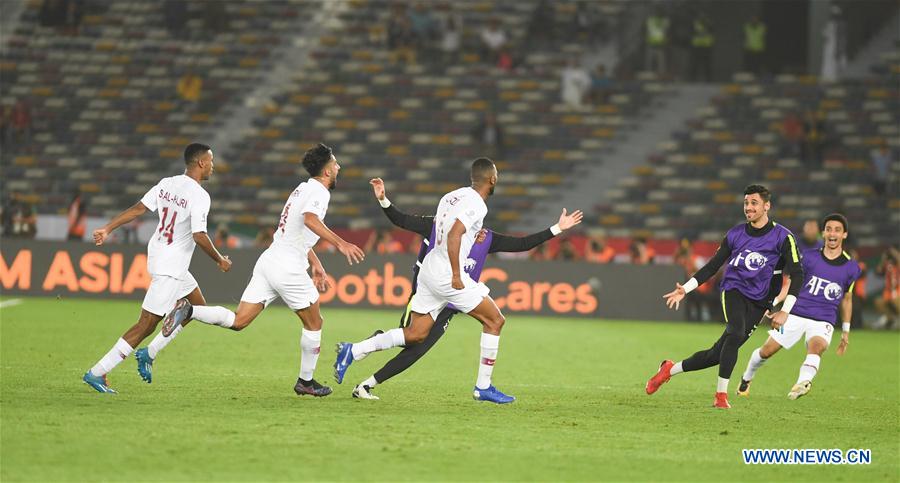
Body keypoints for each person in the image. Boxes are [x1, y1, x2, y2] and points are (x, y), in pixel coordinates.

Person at [152, 143, 365, 397]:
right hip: (288, 268)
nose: (338, 166)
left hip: (270, 260)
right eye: (335, 163)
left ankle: (191, 310)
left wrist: (316, 263)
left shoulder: (302, 189)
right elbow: (310, 220)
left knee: (239, 321)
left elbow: (293, 232)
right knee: (315, 322)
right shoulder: (320, 192)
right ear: (327, 171)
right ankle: (305, 382)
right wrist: (341, 243)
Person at [351, 178, 583, 400]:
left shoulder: (487, 238)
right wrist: (384, 200)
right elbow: (401, 220)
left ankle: (367, 380)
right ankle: (370, 349)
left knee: (416, 347)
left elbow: (522, 244)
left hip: (452, 303)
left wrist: (557, 228)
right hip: (429, 290)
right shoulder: (437, 225)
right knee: (414, 342)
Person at [333, 158, 517, 404]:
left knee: (416, 334)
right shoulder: (477, 205)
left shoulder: (451, 196)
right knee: (495, 320)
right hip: (446, 275)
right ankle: (483, 387)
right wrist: (455, 274)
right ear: (492, 179)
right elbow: (454, 234)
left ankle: (354, 350)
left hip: (429, 271)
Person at [82, 143, 232, 393]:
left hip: (161, 256)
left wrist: (108, 228)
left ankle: (150, 352)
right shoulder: (199, 195)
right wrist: (219, 259)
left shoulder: (167, 183)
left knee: (196, 307)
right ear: (201, 163)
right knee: (146, 324)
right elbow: (199, 235)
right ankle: (97, 372)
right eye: (211, 160)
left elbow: (139, 209)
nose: (214, 166)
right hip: (170, 266)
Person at [645, 185, 804, 409]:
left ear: (767, 206)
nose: (748, 207)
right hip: (734, 290)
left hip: (761, 302)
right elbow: (712, 267)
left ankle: (668, 369)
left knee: (717, 355)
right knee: (735, 332)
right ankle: (721, 397)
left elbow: (798, 274)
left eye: (754, 203)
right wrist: (686, 289)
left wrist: (785, 310)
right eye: (746, 203)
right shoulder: (735, 234)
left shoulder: (783, 237)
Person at [739, 214, 861, 399]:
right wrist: (773, 303)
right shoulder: (809, 258)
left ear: (844, 235)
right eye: (829, 229)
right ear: (823, 233)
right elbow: (789, 284)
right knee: (766, 351)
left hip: (823, 319)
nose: (832, 233)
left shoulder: (852, 268)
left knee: (817, 347)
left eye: (837, 230)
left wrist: (845, 330)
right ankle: (746, 378)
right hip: (795, 313)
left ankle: (802, 383)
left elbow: (847, 299)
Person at [873, 246, 900, 329]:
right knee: (878, 302)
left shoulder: (898, 265)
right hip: (888, 291)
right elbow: (878, 271)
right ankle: (891, 319)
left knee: (896, 302)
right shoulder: (888, 265)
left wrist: (893, 251)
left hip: (898, 289)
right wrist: (883, 258)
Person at [690, 12, 714, 82]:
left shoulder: (709, 23)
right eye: (701, 16)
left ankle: (708, 79)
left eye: (703, 16)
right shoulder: (695, 24)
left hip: (706, 46)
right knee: (695, 63)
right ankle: (693, 78)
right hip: (697, 46)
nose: (702, 17)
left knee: (707, 64)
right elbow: (692, 33)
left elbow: (712, 33)